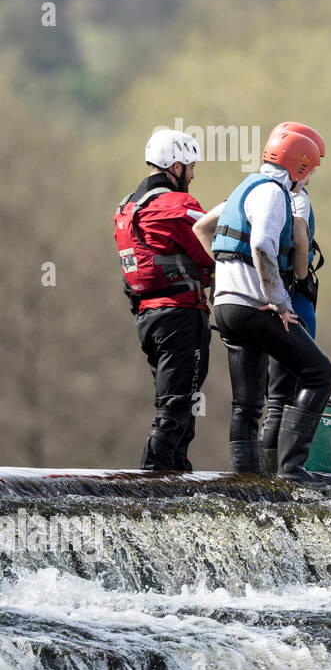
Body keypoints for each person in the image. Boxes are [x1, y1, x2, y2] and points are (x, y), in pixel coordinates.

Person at [207, 123, 331, 479]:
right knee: (321, 374)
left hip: (226, 305)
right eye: (307, 173)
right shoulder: (273, 193)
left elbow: (203, 227)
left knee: (246, 404)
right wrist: (279, 300)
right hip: (254, 306)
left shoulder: (243, 188)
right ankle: (292, 470)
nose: (307, 181)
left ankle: (249, 484)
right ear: (297, 168)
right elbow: (263, 244)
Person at [114, 129, 214, 471]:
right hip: (181, 315)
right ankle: (154, 478)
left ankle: (177, 471)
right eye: (190, 166)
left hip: (148, 317)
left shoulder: (127, 208)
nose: (193, 173)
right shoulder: (177, 205)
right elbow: (211, 252)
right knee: (178, 404)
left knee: (178, 400)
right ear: (175, 166)